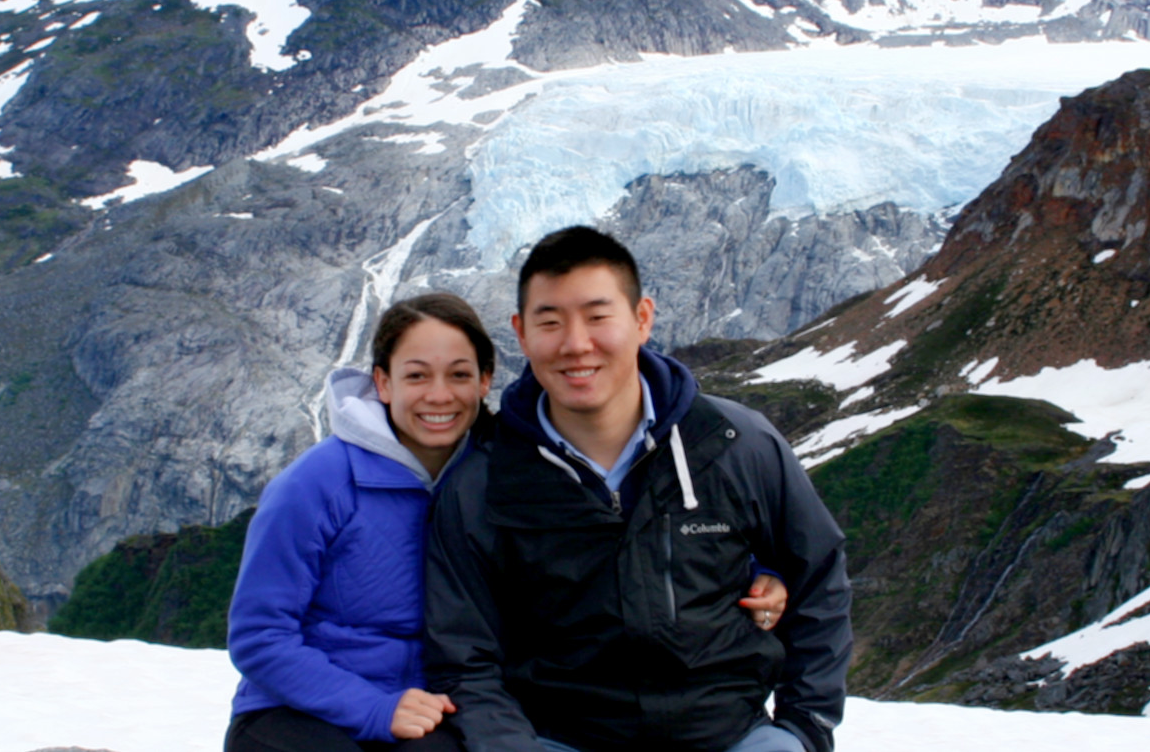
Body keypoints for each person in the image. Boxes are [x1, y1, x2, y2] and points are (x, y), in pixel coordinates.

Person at [224, 292, 787, 752]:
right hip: (298, 711)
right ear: (382, 383)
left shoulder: (510, 470)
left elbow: (622, 531)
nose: (439, 396)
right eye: (416, 376)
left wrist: (756, 570)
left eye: (459, 374)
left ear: (486, 380)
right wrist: (374, 707)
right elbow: (258, 636)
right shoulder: (315, 485)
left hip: (437, 707)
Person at [423, 227, 852, 752]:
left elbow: (819, 577)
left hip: (732, 738)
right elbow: (465, 659)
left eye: (599, 316)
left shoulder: (734, 444)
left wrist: (804, 726)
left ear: (642, 319)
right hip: (559, 740)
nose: (576, 344)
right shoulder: (482, 483)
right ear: (521, 333)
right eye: (550, 322)